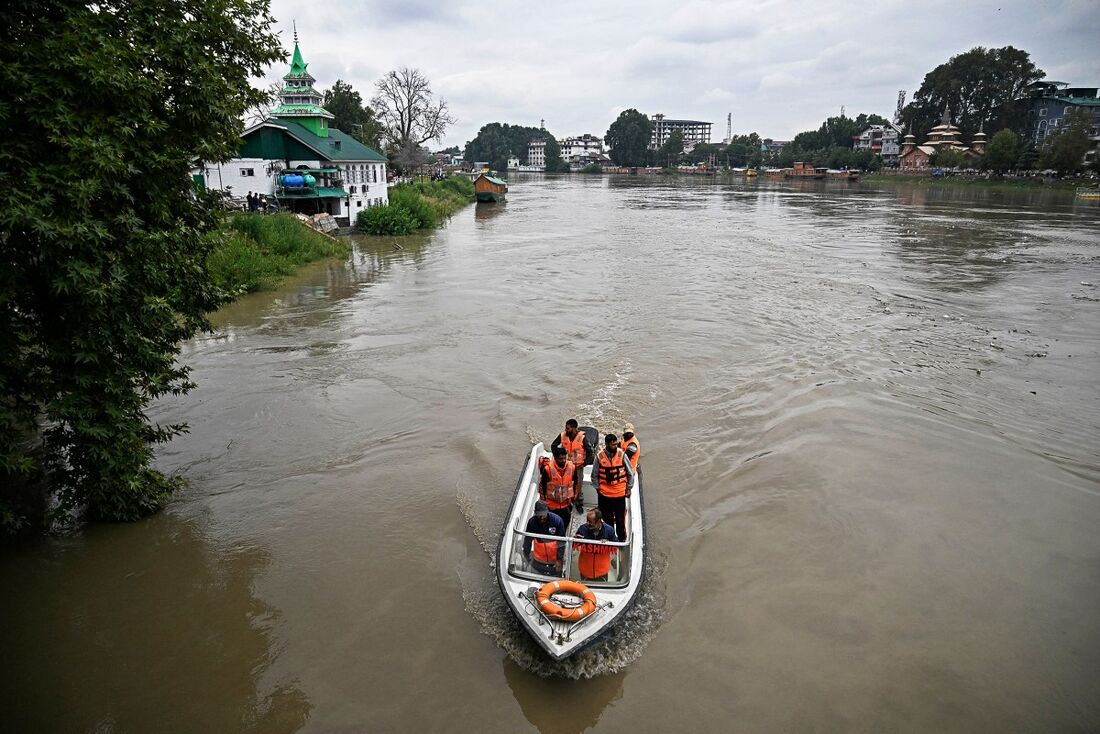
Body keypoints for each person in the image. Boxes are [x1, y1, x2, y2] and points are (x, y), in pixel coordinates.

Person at [593, 433, 634, 543]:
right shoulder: (599, 457)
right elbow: (594, 475)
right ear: (606, 444)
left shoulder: (622, 455)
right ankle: (609, 540)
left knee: (620, 521)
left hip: (619, 495)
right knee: (607, 521)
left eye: (616, 444)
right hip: (604, 495)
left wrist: (629, 488)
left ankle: (621, 540)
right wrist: (598, 489)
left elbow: (630, 473)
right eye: (612, 445)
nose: (615, 446)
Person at [540, 445, 581, 527]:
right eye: (560, 459)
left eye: (564, 458)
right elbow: (542, 487)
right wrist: (543, 502)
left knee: (565, 524)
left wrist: (574, 498)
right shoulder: (548, 469)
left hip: (566, 504)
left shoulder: (572, 467)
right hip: (552, 506)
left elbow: (576, 483)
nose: (563, 461)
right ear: (555, 458)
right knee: (552, 525)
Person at [574, 509, 618, 581]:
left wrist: (608, 544)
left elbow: (617, 546)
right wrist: (576, 540)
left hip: (602, 571)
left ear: (598, 521)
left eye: (590, 521)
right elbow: (573, 546)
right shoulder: (582, 529)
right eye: (587, 520)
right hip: (585, 571)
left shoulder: (609, 530)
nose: (587, 523)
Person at [523, 500, 565, 576]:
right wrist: (526, 554)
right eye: (539, 515)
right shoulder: (531, 522)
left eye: (543, 515)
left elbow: (561, 542)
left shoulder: (558, 521)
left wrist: (559, 559)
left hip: (554, 561)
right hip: (538, 560)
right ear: (535, 512)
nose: (541, 518)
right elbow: (527, 540)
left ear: (547, 511)